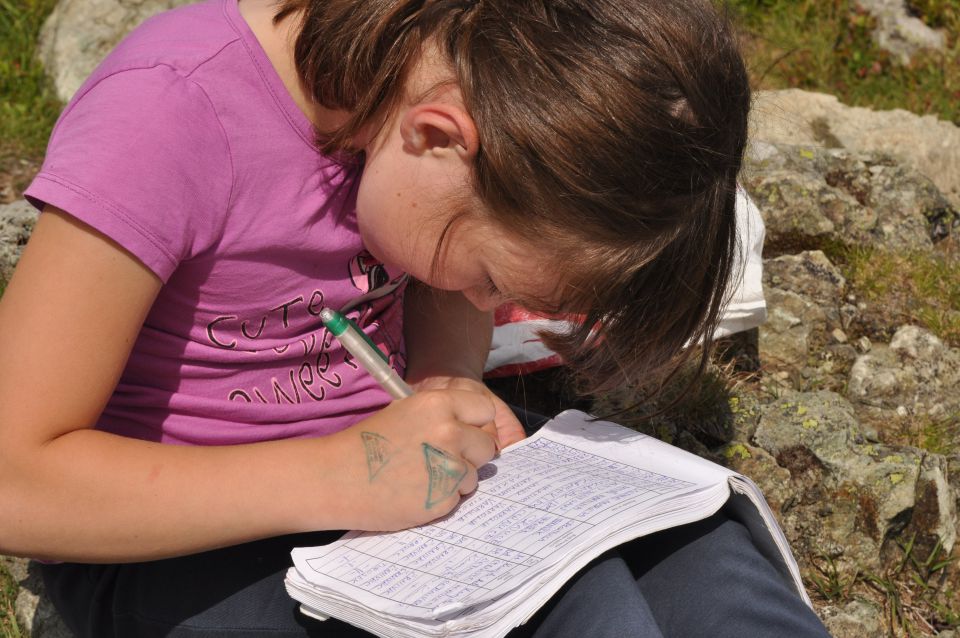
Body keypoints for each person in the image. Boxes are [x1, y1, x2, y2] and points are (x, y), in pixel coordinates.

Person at [0, 0, 830, 635]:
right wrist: (335, 473)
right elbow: (14, 484)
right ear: (438, 135)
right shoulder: (170, 114)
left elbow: (434, 287)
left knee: (705, 554)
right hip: (182, 536)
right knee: (579, 607)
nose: (485, 304)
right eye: (487, 278)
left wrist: (449, 381)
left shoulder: (434, 84)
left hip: (385, 497)